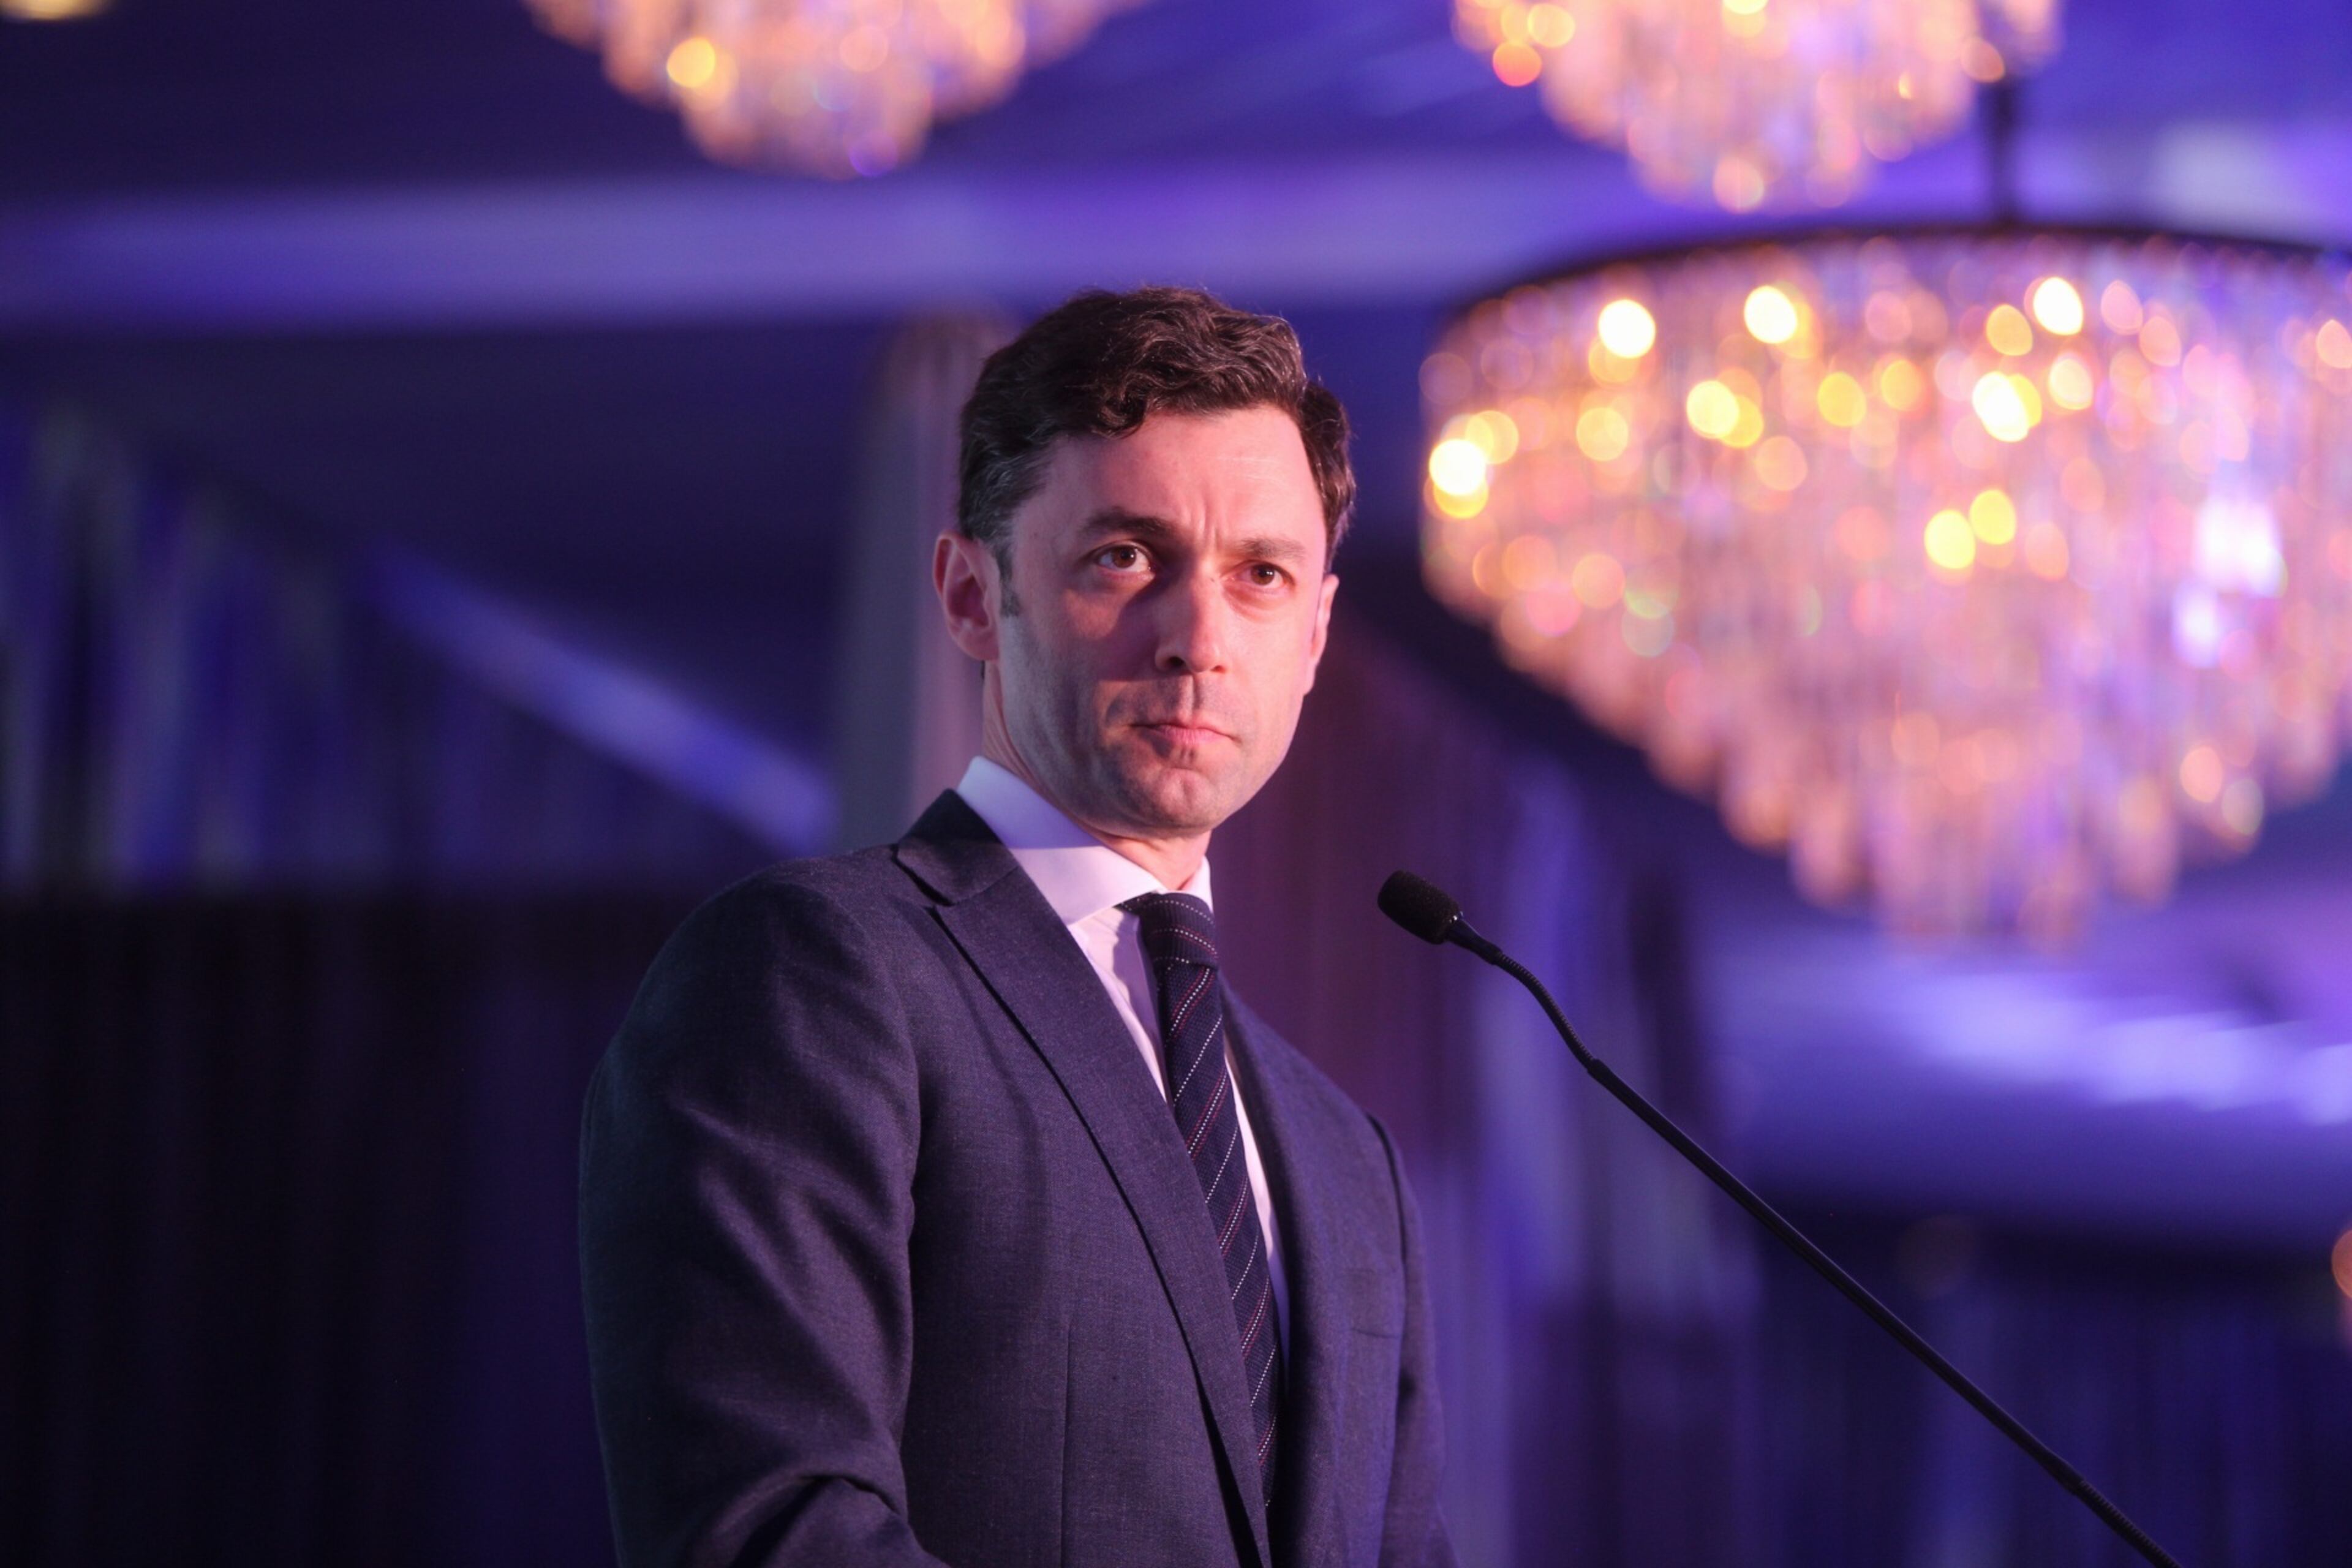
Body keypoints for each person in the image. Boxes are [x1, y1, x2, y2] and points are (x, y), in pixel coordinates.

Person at [580, 286, 1457, 1568]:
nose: (1199, 638)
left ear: (1315, 632)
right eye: (1125, 556)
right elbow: (768, 1528)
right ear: (971, 594)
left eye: (1259, 575)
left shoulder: (1346, 1153)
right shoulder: (816, 975)